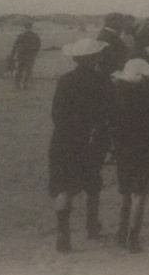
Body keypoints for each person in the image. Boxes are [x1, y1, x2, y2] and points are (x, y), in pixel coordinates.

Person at [47, 37, 111, 252]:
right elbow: (107, 114)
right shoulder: (103, 81)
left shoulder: (65, 81)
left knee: (63, 186)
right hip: (91, 140)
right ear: (94, 59)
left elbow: (56, 114)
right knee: (92, 183)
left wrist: (69, 131)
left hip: (64, 140)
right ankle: (92, 225)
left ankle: (63, 232)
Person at [108, 56, 149, 253]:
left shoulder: (120, 95)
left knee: (126, 192)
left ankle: (121, 231)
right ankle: (133, 237)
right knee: (140, 193)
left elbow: (112, 124)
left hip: (124, 149)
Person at [9, 21, 41, 89]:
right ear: (31, 27)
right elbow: (38, 45)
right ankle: (25, 84)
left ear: (25, 27)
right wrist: (35, 53)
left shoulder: (21, 35)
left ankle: (17, 84)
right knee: (29, 70)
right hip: (31, 55)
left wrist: (13, 54)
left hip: (22, 55)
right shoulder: (35, 35)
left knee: (20, 69)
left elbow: (15, 46)